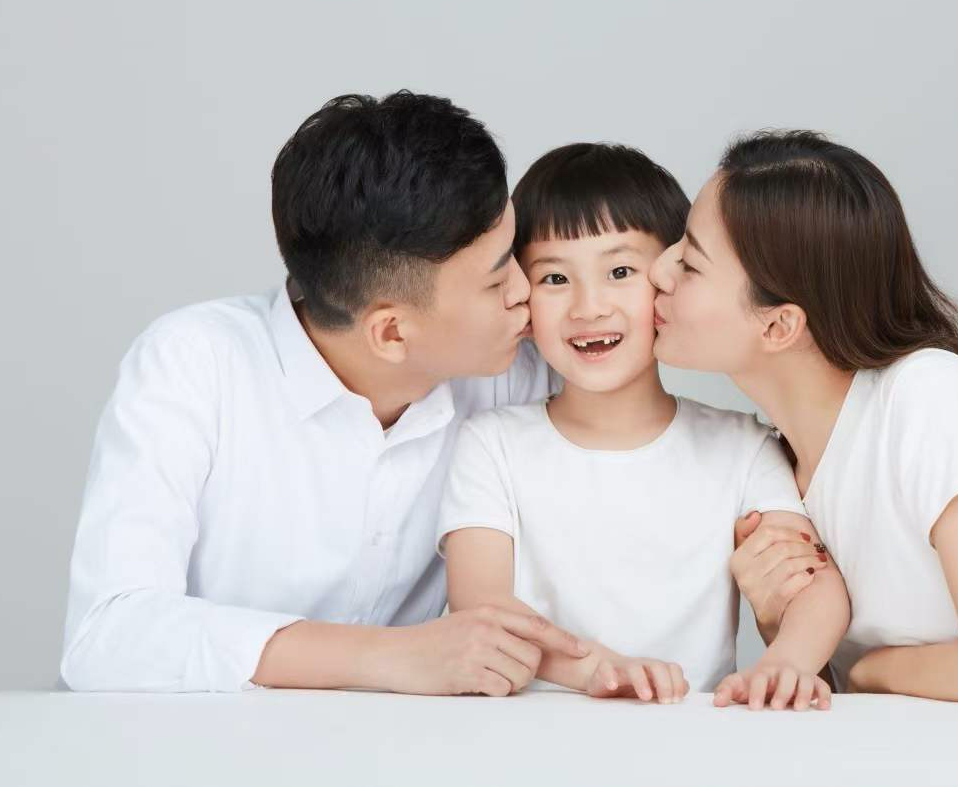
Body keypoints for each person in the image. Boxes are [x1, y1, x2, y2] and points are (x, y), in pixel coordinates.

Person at [60, 91, 591, 694]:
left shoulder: (517, 368)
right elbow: (107, 635)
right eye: (497, 282)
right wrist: (394, 657)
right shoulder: (194, 363)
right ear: (391, 333)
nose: (527, 291)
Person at [650, 131, 958, 704]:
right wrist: (778, 625)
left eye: (689, 263)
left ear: (778, 325)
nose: (659, 270)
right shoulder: (777, 463)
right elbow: (831, 705)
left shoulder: (930, 396)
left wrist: (866, 672)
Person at [439, 143, 848, 709]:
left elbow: (816, 584)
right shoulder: (491, 444)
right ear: (522, 298)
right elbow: (480, 610)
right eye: (554, 278)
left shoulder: (741, 446)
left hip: (691, 736)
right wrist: (597, 670)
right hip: (532, 731)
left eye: (620, 271)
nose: (588, 307)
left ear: (669, 280)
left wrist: (787, 663)